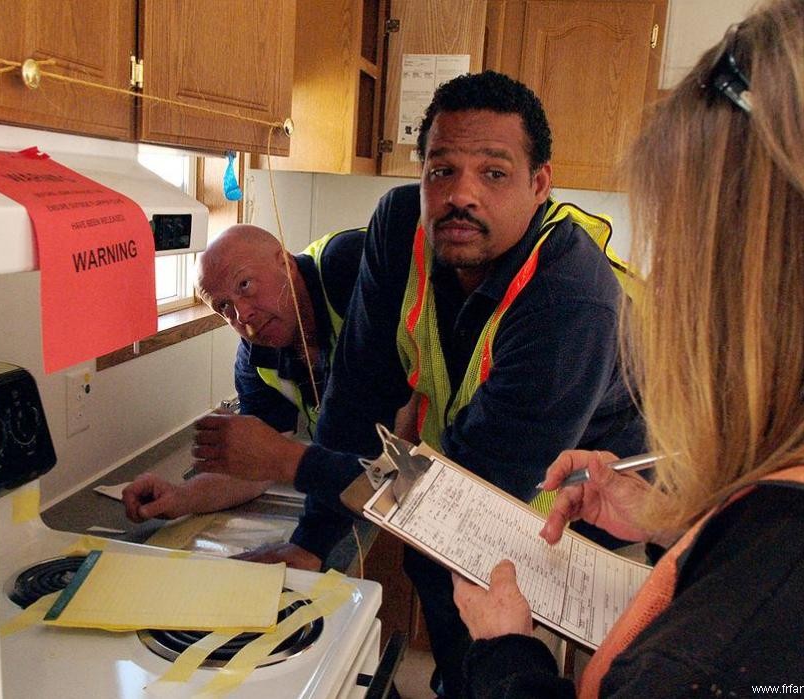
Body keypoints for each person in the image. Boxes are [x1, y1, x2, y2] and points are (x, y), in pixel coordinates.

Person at [192, 72, 645, 697]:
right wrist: (313, 543)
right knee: (436, 576)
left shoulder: (572, 299)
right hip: (461, 472)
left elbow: (466, 506)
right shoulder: (400, 225)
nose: (460, 196)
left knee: (499, 639)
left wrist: (289, 460)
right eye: (441, 171)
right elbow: (357, 395)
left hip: (584, 494)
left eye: (493, 173)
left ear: (539, 184)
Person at [452, 0, 804, 695]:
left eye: (676, 241)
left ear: (755, 287)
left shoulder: (714, 656)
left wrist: (506, 653)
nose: (660, 282)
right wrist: (679, 521)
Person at [122, 224, 365, 534]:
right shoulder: (255, 361)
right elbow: (257, 465)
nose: (242, 316)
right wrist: (182, 497)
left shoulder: (348, 265)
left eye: (245, 285)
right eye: (224, 306)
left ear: (286, 264)